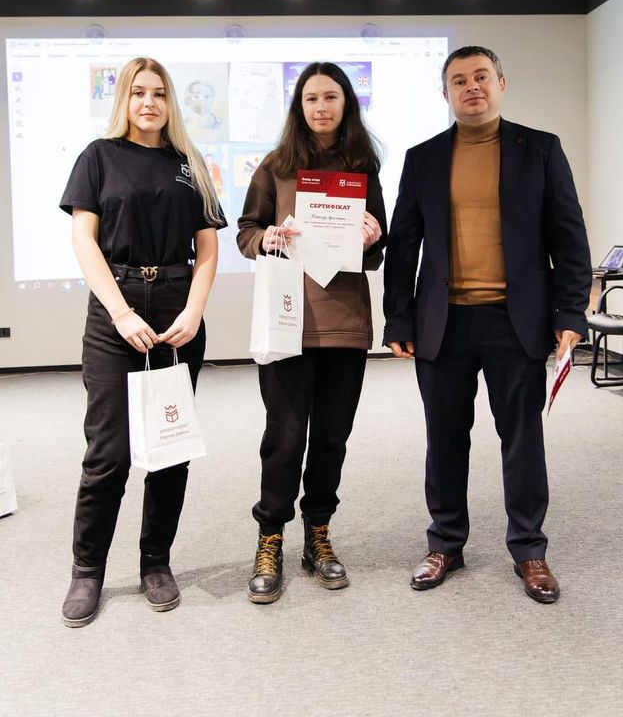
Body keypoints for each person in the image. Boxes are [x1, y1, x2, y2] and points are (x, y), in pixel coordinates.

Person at [383, 46, 591, 603]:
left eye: (481, 76)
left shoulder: (540, 149)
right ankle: (446, 543)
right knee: (445, 439)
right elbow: (403, 246)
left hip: (515, 321)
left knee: (521, 439)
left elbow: (569, 237)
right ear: (445, 93)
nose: (471, 86)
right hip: (442, 322)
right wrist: (398, 317)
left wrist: (570, 312)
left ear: (501, 83)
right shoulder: (424, 157)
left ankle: (529, 549)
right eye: (459, 80)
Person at [59, 57, 227, 627]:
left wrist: (194, 311)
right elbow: (84, 242)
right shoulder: (98, 156)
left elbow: (208, 249)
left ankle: (156, 561)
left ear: (169, 101)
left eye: (158, 93)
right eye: (138, 92)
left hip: (178, 309)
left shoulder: (190, 163)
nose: (149, 102)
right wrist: (121, 312)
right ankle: (88, 570)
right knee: (109, 453)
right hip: (117, 311)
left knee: (170, 446)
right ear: (124, 100)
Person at [237, 61, 387, 603]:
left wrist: (373, 238)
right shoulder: (276, 166)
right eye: (311, 98)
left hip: (344, 325)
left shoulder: (362, 167)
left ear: (347, 103)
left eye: (331, 97)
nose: (321, 107)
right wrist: (268, 238)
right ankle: (270, 538)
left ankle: (317, 534)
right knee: (284, 439)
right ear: (298, 107)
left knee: (330, 439)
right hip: (286, 322)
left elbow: (375, 253)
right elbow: (246, 233)